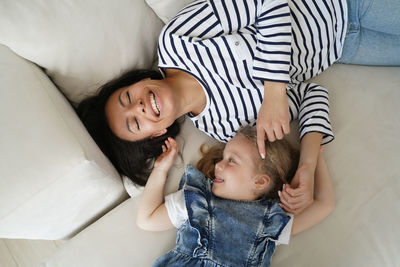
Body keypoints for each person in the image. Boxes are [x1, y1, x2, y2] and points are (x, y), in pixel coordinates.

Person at [77, 0, 400, 213]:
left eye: (127, 97)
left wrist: (273, 89)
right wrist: (307, 165)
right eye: (136, 122)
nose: (140, 105)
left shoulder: (177, 40)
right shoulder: (223, 127)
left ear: (133, 82)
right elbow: (312, 96)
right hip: (345, 45)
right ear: (157, 134)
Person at [136, 125, 335, 266]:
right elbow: (147, 219)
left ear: (259, 182)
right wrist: (160, 170)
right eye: (224, 158)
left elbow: (325, 205)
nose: (218, 165)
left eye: (232, 161)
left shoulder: (269, 219)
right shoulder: (197, 199)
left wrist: (314, 160)